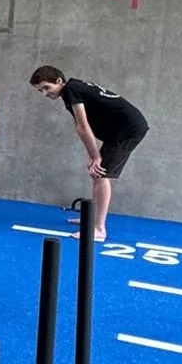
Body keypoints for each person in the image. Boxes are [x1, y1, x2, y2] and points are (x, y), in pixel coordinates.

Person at [30, 65, 149, 241]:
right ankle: (93, 219)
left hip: (128, 129)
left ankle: (99, 229)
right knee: (97, 173)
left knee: (101, 175)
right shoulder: (73, 89)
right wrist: (93, 156)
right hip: (118, 130)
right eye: (40, 90)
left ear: (59, 81)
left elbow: (83, 127)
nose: (44, 94)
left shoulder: (71, 89)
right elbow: (81, 127)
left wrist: (95, 157)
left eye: (47, 88)